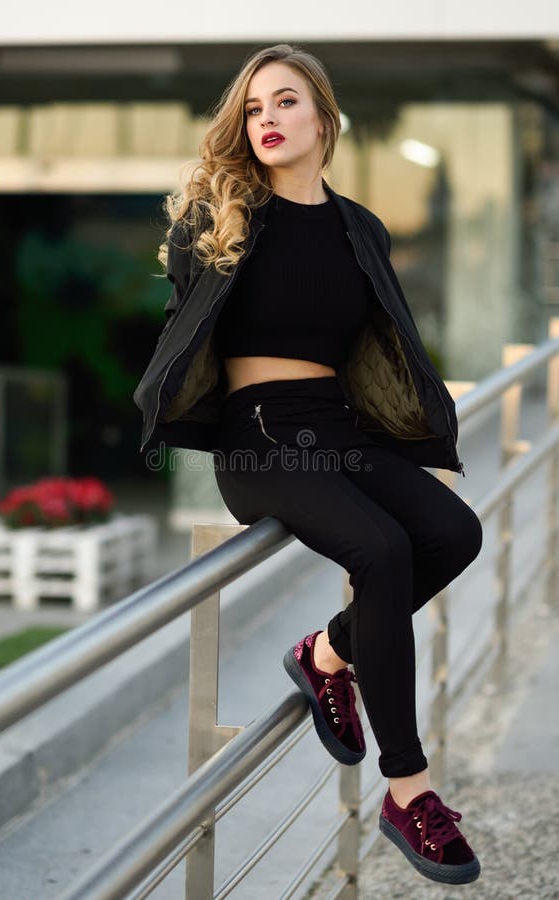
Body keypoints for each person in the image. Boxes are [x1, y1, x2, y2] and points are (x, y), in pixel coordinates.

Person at [133, 43, 483, 886]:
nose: (266, 121)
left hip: (335, 427)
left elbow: (385, 339)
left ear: (324, 119)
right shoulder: (221, 215)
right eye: (253, 109)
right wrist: (211, 222)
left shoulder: (360, 226)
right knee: (382, 551)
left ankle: (326, 655)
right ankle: (408, 790)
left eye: (284, 103)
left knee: (452, 531)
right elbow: (188, 330)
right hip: (256, 437)